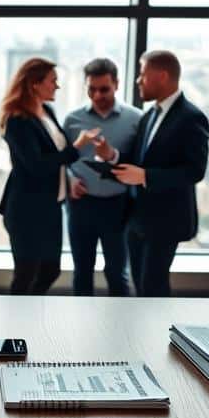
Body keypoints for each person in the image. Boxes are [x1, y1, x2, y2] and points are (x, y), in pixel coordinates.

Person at [95, 50, 209, 297]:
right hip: (137, 219)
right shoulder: (149, 115)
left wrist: (146, 176)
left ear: (162, 76)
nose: (138, 81)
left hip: (166, 221)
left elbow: (195, 171)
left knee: (153, 289)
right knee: (140, 286)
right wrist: (111, 156)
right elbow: (139, 161)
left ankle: (161, 335)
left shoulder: (191, 118)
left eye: (143, 74)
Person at [0, 57, 102, 295]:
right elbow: (37, 166)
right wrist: (77, 147)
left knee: (50, 270)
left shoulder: (47, 111)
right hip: (26, 210)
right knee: (25, 274)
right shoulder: (17, 121)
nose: (57, 86)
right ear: (35, 84)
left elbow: (55, 159)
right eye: (53, 81)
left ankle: (28, 316)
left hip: (51, 207)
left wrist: (70, 180)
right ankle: (16, 326)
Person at [63, 58, 143, 296]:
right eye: (91, 89)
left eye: (104, 89)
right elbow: (63, 160)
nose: (97, 95)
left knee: (117, 273)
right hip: (80, 205)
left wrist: (112, 155)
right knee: (81, 272)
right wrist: (69, 179)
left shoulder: (136, 119)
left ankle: (121, 331)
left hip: (118, 206)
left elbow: (141, 163)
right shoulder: (72, 120)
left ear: (116, 85)